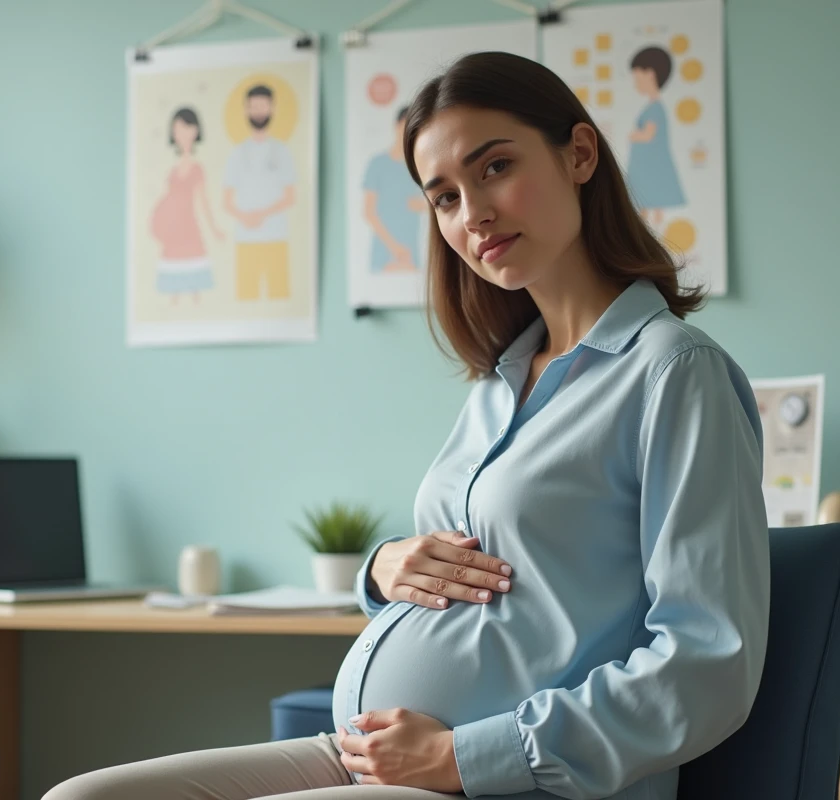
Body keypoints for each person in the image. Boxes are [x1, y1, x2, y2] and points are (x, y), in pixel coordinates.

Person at [44, 51, 768, 800]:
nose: (472, 214)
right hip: (376, 756)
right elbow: (488, 575)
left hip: (518, 782)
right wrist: (381, 568)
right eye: (444, 197)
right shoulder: (501, 382)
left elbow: (707, 664)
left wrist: (465, 758)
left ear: (579, 154)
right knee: (82, 799)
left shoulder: (674, 374)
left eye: (493, 169)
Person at [223, 84, 297, 301]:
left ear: (272, 108)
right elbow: (226, 201)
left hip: (276, 236)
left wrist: (261, 214)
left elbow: (290, 196)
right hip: (246, 240)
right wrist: (245, 217)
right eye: (253, 106)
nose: (258, 111)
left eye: (263, 106)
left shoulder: (282, 151)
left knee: (279, 292)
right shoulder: (237, 154)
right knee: (247, 294)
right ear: (246, 109)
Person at [150, 107, 224, 303]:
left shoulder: (197, 168)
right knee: (174, 283)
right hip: (173, 228)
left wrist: (214, 229)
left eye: (186, 128)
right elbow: (165, 199)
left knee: (193, 284)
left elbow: (203, 201)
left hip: (188, 226)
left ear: (195, 130)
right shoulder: (172, 169)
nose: (181, 133)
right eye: (177, 129)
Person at [363, 106, 428, 272]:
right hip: (385, 248)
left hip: (410, 245)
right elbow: (369, 212)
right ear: (396, 126)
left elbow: (434, 202)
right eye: (404, 126)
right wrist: (395, 248)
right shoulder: (378, 164)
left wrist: (420, 205)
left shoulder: (420, 165)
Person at [626, 46, 686, 227]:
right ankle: (648, 225)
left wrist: (634, 136)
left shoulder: (655, 108)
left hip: (651, 164)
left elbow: (649, 133)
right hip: (646, 163)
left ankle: (654, 226)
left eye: (637, 77)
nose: (635, 83)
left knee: (651, 195)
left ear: (650, 75)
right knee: (646, 198)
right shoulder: (652, 106)